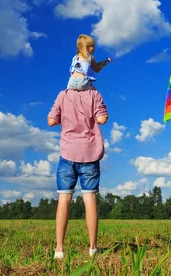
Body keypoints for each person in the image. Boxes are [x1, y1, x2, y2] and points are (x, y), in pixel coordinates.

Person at [47, 87, 108, 259]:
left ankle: (59, 250)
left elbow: (51, 120)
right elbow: (102, 119)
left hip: (67, 154)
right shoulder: (95, 94)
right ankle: (93, 249)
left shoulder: (62, 95)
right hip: (89, 154)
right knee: (89, 200)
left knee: (64, 200)